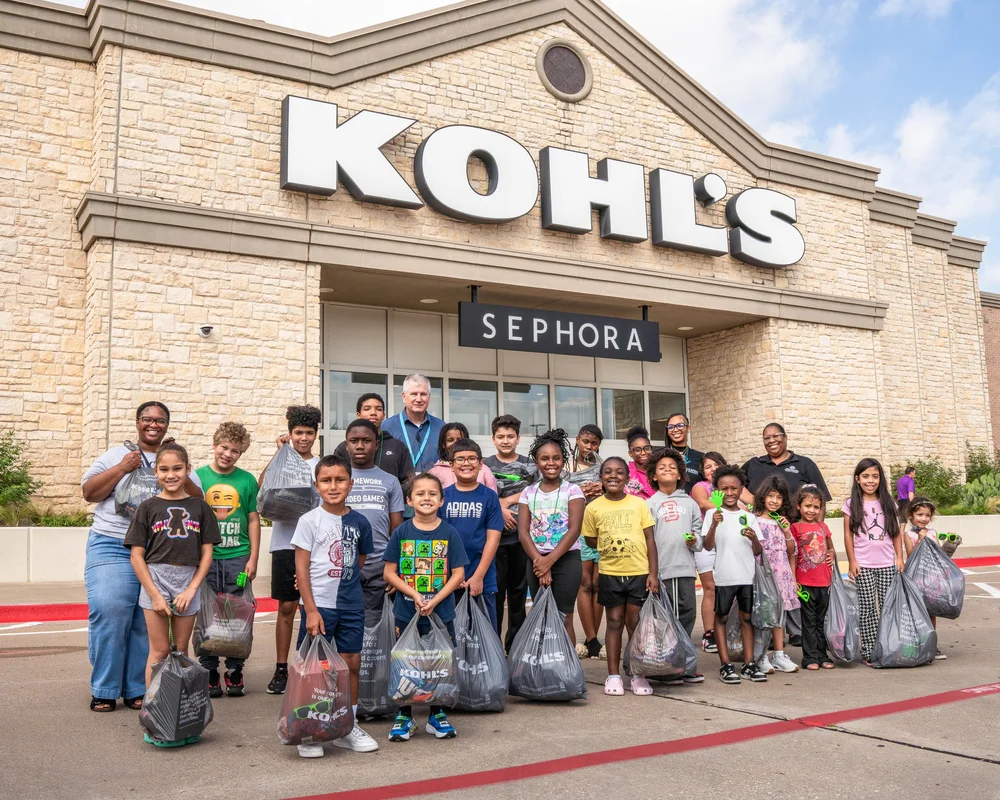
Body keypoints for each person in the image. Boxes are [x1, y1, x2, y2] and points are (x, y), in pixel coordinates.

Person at [81, 401, 203, 713]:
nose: (153, 424)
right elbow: (89, 492)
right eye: (147, 419)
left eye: (160, 420)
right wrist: (123, 467)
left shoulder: (173, 460)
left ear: (167, 425)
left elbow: (197, 500)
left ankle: (137, 687)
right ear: (137, 422)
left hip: (159, 550)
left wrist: (173, 464)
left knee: (145, 620)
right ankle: (105, 687)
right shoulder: (115, 455)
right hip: (113, 542)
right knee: (110, 610)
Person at [124, 442, 219, 744]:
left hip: (187, 580)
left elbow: (207, 554)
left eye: (177, 468)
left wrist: (191, 588)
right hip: (155, 579)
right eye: (164, 469)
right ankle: (154, 716)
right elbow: (136, 556)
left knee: (180, 651)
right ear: (155, 472)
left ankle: (181, 716)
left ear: (188, 470)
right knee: (159, 651)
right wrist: (153, 594)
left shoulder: (200, 507)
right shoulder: (147, 507)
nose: (171, 474)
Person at [292, 453, 378, 757]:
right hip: (319, 606)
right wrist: (311, 609)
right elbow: (301, 568)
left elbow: (359, 561)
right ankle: (310, 730)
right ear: (316, 485)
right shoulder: (309, 521)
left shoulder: (360, 522)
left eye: (340, 480)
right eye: (326, 481)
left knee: (351, 662)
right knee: (315, 669)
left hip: (351, 604)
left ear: (350, 484)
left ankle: (347, 725)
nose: (333, 486)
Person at [383, 473, 468, 742]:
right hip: (406, 613)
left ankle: (437, 713)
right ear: (409, 500)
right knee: (406, 663)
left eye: (433, 494)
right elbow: (389, 573)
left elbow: (458, 574)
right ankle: (404, 715)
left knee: (438, 663)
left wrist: (436, 599)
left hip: (441, 613)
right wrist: (414, 594)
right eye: (420, 493)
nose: (426, 498)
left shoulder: (449, 533)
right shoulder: (402, 532)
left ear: (441, 500)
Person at [741, 423, 830, 646]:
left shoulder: (804, 464)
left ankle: (796, 630)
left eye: (776, 436)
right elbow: (733, 484)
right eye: (766, 438)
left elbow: (821, 499)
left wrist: (817, 533)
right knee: (771, 585)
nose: (771, 440)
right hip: (765, 534)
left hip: (798, 533)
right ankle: (771, 632)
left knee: (795, 581)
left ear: (786, 437)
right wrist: (753, 505)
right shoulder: (754, 464)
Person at [582, 457, 658, 696]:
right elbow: (590, 539)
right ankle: (613, 675)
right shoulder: (593, 507)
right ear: (600, 477)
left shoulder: (639, 505)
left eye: (619, 472)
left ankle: (638, 674)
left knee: (635, 624)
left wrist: (653, 573)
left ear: (627, 477)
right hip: (610, 573)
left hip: (638, 573)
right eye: (607, 472)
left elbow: (650, 539)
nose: (613, 476)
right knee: (614, 622)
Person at [260, 404, 322, 695]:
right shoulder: (281, 459)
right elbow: (262, 488)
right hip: (285, 543)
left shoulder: (320, 465)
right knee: (286, 606)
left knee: (314, 606)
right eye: (298, 433)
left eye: (309, 433)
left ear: (316, 435)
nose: (304, 438)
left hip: (315, 546)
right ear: (289, 434)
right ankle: (281, 668)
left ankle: (312, 665)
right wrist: (278, 453)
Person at [196, 422, 260, 698]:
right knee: (206, 613)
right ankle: (209, 669)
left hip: (238, 557)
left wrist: (253, 557)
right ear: (214, 445)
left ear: (241, 453)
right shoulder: (198, 478)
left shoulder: (247, 480)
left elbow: (253, 519)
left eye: (235, 451)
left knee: (238, 613)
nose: (228, 454)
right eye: (224, 447)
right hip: (206, 559)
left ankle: (235, 668)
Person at [518, 429, 586, 646]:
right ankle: (544, 663)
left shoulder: (573, 490)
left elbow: (574, 530)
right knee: (542, 616)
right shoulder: (528, 493)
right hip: (536, 560)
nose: (551, 463)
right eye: (544, 458)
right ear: (536, 462)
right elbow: (523, 531)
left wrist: (549, 561)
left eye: (556, 458)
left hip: (567, 559)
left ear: (563, 460)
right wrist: (540, 562)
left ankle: (567, 665)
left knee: (565, 616)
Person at [703, 464, 766, 684]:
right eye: (724, 489)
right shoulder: (712, 514)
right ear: (717, 491)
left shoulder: (748, 516)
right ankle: (725, 664)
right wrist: (713, 525)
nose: (730, 493)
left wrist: (753, 538)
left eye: (734, 488)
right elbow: (707, 546)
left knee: (747, 618)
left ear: (741, 490)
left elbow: (758, 551)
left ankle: (749, 664)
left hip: (746, 576)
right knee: (721, 618)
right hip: (724, 577)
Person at [645, 447, 704, 684]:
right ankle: (668, 667)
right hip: (661, 571)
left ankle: (684, 665)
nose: (667, 470)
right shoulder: (650, 504)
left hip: (685, 569)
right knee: (666, 620)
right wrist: (651, 571)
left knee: (687, 614)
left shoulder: (690, 503)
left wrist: (694, 541)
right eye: (662, 468)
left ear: (680, 474)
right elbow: (646, 539)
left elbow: (699, 538)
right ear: (653, 475)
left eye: (672, 467)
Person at [341, 419, 404, 625]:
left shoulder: (390, 480)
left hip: (380, 565)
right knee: (345, 623)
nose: (360, 446)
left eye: (366, 441)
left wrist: (394, 567)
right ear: (346, 444)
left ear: (376, 444)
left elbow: (396, 528)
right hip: (343, 563)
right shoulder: (337, 480)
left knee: (375, 625)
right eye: (354, 441)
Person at [842, 458, 902, 665]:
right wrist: (852, 561)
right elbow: (848, 535)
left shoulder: (889, 503)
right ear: (857, 479)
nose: (870, 481)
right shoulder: (851, 504)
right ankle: (869, 650)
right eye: (866, 476)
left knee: (887, 607)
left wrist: (899, 558)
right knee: (867, 608)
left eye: (875, 476)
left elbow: (895, 532)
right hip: (863, 564)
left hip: (887, 564)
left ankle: (887, 646)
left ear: (880, 479)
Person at [440, 437, 504, 632]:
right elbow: (438, 538)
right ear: (451, 465)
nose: (466, 463)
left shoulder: (489, 496)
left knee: (483, 635)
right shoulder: (442, 496)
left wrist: (478, 576)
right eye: (460, 459)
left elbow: (493, 539)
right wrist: (452, 575)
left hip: (482, 576)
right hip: (448, 578)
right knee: (452, 635)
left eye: (472, 458)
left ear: (481, 463)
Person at [483, 414, 535, 651]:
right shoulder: (484, 465)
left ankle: (515, 647)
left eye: (510, 436)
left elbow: (536, 491)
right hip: (493, 540)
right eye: (501, 436)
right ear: (493, 439)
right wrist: (500, 509)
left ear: (518, 438)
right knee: (495, 594)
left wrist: (507, 500)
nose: (505, 441)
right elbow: (479, 492)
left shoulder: (530, 465)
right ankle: (493, 646)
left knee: (518, 595)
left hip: (521, 539)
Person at [751, 475, 800, 674]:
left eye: (779, 497)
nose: (774, 501)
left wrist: (787, 531)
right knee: (762, 615)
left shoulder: (782, 521)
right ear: (762, 496)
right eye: (771, 496)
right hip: (762, 575)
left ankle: (779, 654)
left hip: (781, 575)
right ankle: (761, 655)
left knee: (779, 616)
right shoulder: (754, 520)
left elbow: (791, 551)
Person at [566, 424, 604, 659]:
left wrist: (602, 488)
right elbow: (560, 491)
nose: (589, 447)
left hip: (601, 528)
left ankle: (594, 639)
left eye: (594, 443)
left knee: (599, 584)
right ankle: (591, 637)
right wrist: (581, 491)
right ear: (577, 440)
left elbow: (614, 487)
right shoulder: (567, 466)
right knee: (585, 583)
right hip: (578, 529)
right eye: (585, 441)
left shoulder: (603, 466)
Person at [789, 485, 837, 670]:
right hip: (805, 583)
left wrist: (831, 554)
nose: (812, 510)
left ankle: (822, 655)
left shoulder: (823, 527)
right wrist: (794, 580)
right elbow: (792, 556)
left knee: (821, 621)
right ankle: (809, 657)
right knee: (808, 621)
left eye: (816, 507)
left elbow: (830, 548)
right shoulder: (795, 528)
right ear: (799, 506)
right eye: (808, 506)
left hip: (824, 582)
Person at [333, 393, 414, 485]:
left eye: (378, 409)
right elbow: (335, 478)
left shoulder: (398, 447)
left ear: (383, 415)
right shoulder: (344, 448)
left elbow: (408, 482)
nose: (373, 413)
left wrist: (391, 492)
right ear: (358, 415)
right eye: (367, 409)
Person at [690, 451, 727, 653]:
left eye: (716, 464)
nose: (712, 469)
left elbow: (752, 501)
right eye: (708, 466)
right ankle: (709, 634)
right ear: (703, 472)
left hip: (730, 542)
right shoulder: (700, 487)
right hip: (706, 541)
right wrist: (732, 503)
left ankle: (729, 630)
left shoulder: (732, 485)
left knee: (731, 587)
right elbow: (704, 503)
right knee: (710, 588)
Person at [902, 496, 947, 660]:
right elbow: (910, 556)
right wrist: (920, 539)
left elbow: (939, 554)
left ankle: (932, 645)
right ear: (911, 516)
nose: (924, 518)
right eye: (920, 514)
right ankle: (918, 645)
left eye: (927, 515)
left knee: (931, 612)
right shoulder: (908, 534)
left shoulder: (933, 533)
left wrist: (949, 546)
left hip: (932, 579)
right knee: (917, 613)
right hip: (916, 579)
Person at [381, 374, 446, 473]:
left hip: (434, 482)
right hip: (398, 482)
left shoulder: (441, 427)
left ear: (429, 397)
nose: (419, 399)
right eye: (414, 394)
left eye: (423, 394)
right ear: (404, 396)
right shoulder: (387, 427)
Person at [428, 422, 498, 491]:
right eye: (450, 440)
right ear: (443, 444)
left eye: (460, 440)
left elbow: (492, 496)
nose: (455, 443)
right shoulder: (434, 473)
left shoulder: (483, 470)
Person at [663, 412, 704, 492]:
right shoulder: (660, 456)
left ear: (688, 428)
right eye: (671, 427)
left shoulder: (701, 458)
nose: (675, 430)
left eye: (680, 425)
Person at [624, 426, 655, 499]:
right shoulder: (626, 472)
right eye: (638, 450)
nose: (643, 453)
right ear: (630, 453)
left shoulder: (659, 470)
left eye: (647, 448)